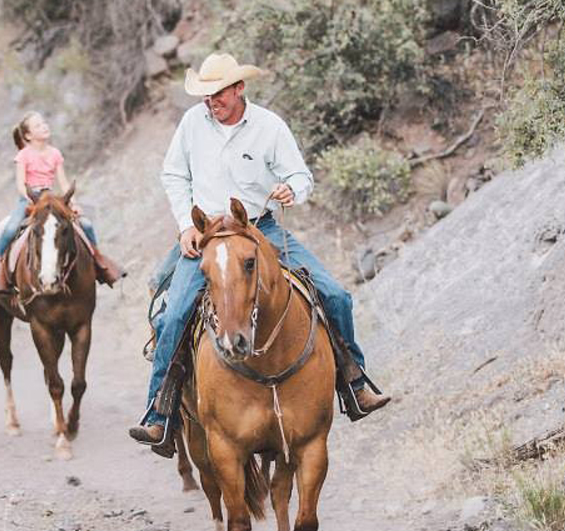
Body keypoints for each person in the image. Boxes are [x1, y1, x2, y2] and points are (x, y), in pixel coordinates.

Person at [128, 53, 391, 452]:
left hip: (259, 228)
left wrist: (292, 189)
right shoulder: (192, 124)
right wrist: (185, 224)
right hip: (208, 234)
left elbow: (300, 175)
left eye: (217, 94)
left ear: (239, 89)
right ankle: (159, 413)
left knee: (334, 295)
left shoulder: (269, 126)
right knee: (174, 313)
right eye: (205, 95)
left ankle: (355, 384)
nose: (210, 102)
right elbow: (174, 174)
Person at [0, 112, 122, 288]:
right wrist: (31, 199)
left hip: (51, 198)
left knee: (85, 224)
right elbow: (20, 184)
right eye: (38, 126)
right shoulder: (24, 155)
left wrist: (73, 203)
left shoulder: (55, 153)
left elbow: (63, 182)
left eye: (44, 123)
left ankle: (97, 260)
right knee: (12, 227)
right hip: (30, 199)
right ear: (28, 135)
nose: (44, 127)